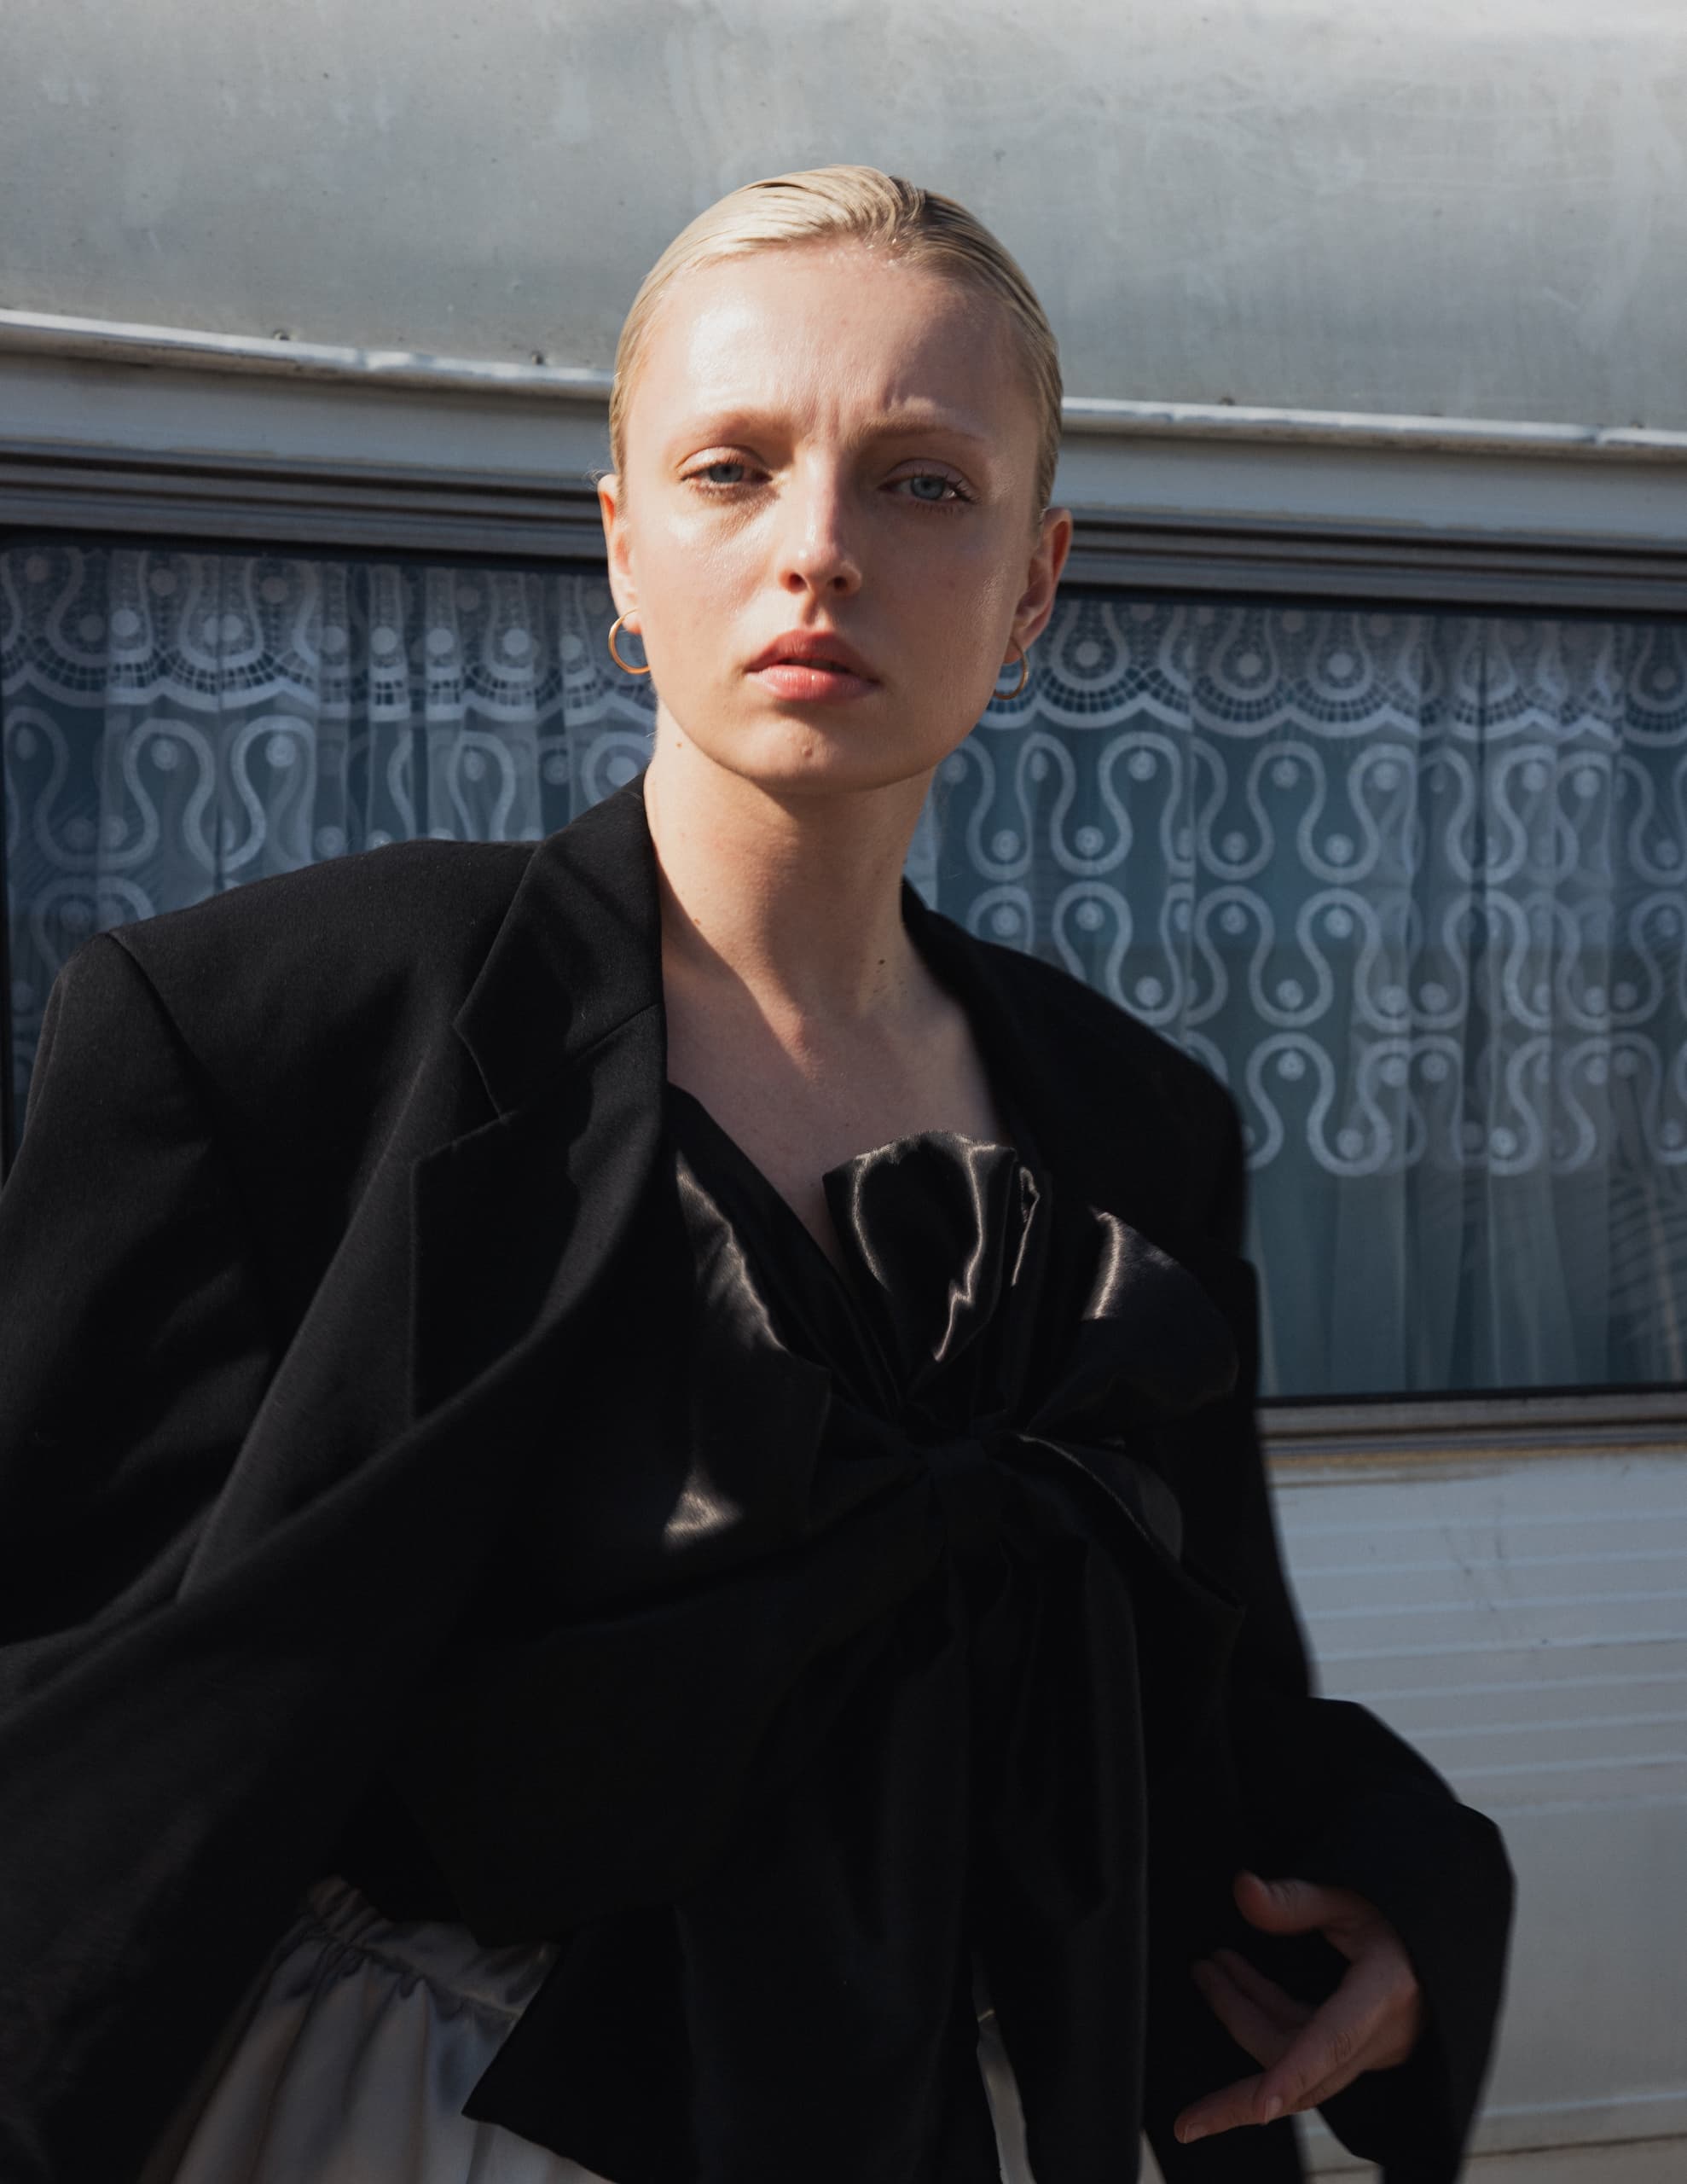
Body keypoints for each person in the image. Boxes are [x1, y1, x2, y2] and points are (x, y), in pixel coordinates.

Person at [0, 167, 1510, 2184]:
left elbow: (1185, 1694)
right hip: (431, 2121)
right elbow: (68, 1701)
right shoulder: (271, 1034)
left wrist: (1401, 1886)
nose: (817, 550)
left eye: (919, 482)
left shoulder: (1134, 1123)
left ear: (1035, 582)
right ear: (619, 546)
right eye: (730, 467)